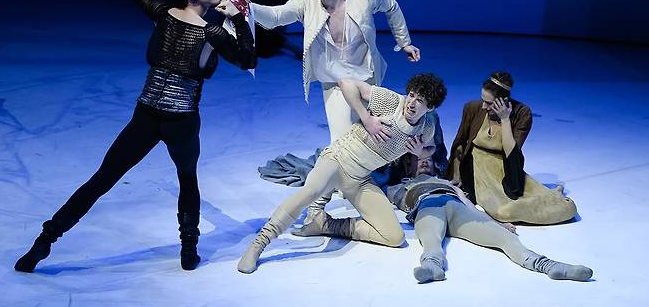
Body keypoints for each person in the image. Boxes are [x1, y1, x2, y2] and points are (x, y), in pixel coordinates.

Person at [14, 0, 256, 273]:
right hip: (181, 120)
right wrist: (237, 20)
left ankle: (44, 242)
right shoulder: (211, 32)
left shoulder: (164, 14)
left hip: (146, 116)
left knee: (102, 179)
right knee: (187, 179)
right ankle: (189, 250)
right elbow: (248, 60)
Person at [252, 0, 423, 221]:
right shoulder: (307, 2)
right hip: (335, 84)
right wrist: (246, 8)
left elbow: (391, 5)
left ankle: (352, 182)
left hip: (367, 79)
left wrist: (404, 42)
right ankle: (322, 203)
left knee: (372, 137)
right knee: (340, 142)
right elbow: (275, 16)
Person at [237, 74, 447, 274]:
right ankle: (259, 244)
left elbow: (430, 148)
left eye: (420, 100)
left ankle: (324, 224)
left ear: (430, 107)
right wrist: (366, 118)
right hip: (338, 159)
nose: (411, 103)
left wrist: (421, 153)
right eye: (411, 95)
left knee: (394, 236)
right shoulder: (391, 101)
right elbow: (346, 82)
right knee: (309, 193)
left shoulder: (426, 127)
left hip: (360, 179)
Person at [373, 158, 593, 282]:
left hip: (456, 207)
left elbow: (467, 203)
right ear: (408, 167)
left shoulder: (446, 181)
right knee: (431, 240)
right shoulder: (397, 186)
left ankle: (548, 265)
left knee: (505, 238)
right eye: (419, 161)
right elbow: (373, 186)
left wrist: (495, 223)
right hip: (427, 207)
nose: (424, 163)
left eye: (427, 161)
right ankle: (432, 267)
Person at [447, 71, 576, 224]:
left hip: (505, 172)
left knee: (564, 208)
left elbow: (512, 153)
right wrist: (456, 175)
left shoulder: (522, 113)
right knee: (502, 212)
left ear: (503, 101)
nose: (483, 106)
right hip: (478, 171)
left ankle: (548, 197)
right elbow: (460, 144)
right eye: (483, 100)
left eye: (489, 103)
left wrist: (505, 119)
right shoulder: (472, 108)